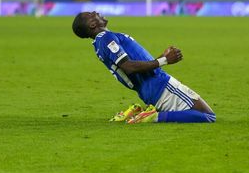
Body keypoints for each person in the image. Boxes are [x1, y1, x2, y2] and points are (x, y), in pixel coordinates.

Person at [72, 11, 216, 123]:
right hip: (160, 85)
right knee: (208, 115)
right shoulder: (105, 38)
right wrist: (164, 60)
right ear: (92, 25)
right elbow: (128, 67)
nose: (95, 12)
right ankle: (153, 117)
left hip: (151, 87)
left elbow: (134, 63)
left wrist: (160, 57)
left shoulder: (102, 41)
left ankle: (141, 112)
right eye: (91, 15)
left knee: (203, 113)